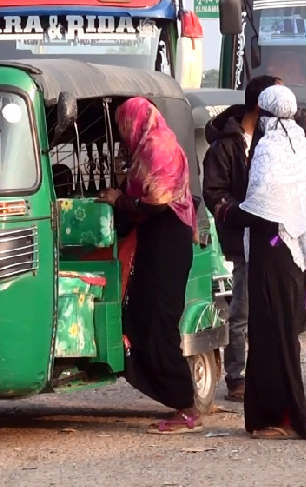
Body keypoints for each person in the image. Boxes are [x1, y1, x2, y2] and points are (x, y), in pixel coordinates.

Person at [214, 84, 306, 440]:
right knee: (286, 335)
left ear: (267, 115)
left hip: (271, 254)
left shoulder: (267, 149)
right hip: (300, 257)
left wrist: (227, 211)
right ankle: (286, 416)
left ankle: (278, 419)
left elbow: (259, 208)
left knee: (270, 336)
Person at [98, 97, 202, 435]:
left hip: (168, 245)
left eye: (122, 125)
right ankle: (174, 395)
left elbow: (156, 203)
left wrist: (118, 200)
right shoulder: (144, 152)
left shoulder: (160, 148)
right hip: (155, 245)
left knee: (160, 321)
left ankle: (185, 404)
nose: (121, 132)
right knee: (143, 317)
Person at [203, 74, 282, 402]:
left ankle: (273, 374)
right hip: (245, 241)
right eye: (277, 100)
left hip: (277, 241)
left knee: (277, 311)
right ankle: (237, 377)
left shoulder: (277, 140)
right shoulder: (224, 147)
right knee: (243, 311)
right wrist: (244, 214)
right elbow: (214, 193)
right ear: (260, 105)